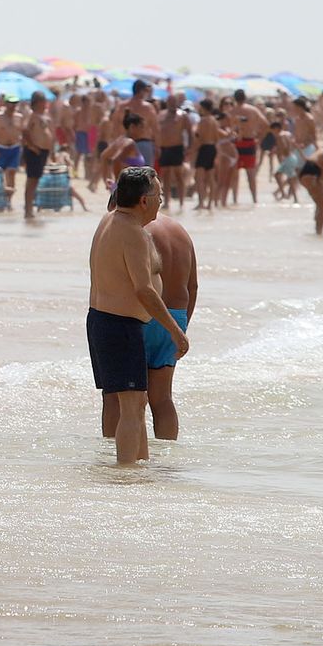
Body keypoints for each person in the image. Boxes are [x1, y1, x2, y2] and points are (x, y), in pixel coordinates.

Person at [87, 167, 189, 464]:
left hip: (105, 321)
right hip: (119, 326)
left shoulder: (110, 220)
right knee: (132, 408)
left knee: (136, 405)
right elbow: (144, 290)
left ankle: (139, 470)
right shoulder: (131, 232)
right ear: (143, 200)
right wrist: (175, 331)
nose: (161, 201)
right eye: (158, 195)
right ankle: (127, 475)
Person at [136, 208, 197, 440]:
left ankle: (127, 464)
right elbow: (193, 286)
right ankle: (166, 463)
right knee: (162, 398)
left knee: (132, 399)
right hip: (176, 317)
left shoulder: (139, 230)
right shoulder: (181, 232)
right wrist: (180, 329)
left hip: (147, 313)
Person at [22, 91, 54, 218]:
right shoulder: (32, 115)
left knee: (36, 180)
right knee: (31, 180)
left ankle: (31, 207)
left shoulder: (44, 115)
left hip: (43, 151)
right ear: (37, 102)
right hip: (34, 151)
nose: (45, 103)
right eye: (43, 101)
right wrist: (32, 146)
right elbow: (25, 131)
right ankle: (28, 209)